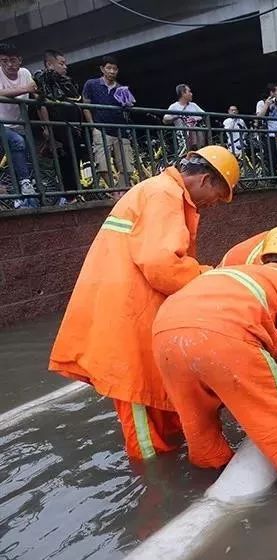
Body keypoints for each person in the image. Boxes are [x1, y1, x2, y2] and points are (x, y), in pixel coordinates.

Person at [48, 146, 240, 461]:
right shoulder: (164, 196)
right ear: (205, 180)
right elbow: (161, 264)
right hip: (124, 318)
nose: (213, 205)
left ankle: (168, 470)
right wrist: (209, 277)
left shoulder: (158, 192)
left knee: (156, 397)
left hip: (130, 312)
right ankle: (156, 489)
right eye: (218, 197)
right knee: (143, 416)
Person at [152, 226, 277, 479]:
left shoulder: (239, 272)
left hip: (164, 332)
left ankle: (210, 468)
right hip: (224, 335)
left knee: (198, 423)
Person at [35, 49, 84, 205]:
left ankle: (77, 193)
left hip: (72, 127)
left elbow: (76, 98)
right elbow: (41, 104)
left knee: (75, 158)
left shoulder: (64, 81)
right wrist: (47, 128)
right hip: (57, 128)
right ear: (50, 64)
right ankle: (68, 196)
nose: (65, 67)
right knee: (63, 162)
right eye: (61, 63)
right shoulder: (40, 78)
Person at [81, 55, 135, 189]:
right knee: (102, 165)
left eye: (115, 69)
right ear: (102, 69)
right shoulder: (92, 84)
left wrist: (128, 104)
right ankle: (115, 189)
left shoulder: (122, 89)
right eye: (109, 68)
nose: (112, 71)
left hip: (120, 130)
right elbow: (85, 105)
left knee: (127, 167)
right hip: (101, 128)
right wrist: (93, 126)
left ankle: (120, 192)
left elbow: (129, 107)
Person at [0, 42, 37, 207]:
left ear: (20, 60)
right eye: (4, 61)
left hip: (20, 125)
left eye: (12, 60)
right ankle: (24, 183)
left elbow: (35, 92)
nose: (9, 65)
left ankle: (22, 198)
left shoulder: (25, 73)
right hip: (2, 125)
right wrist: (24, 89)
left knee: (27, 158)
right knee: (17, 142)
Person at [163, 84, 205, 153]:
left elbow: (204, 115)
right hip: (182, 134)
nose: (191, 94)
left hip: (196, 132)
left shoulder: (193, 105)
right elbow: (165, 120)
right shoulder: (174, 106)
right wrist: (176, 116)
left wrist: (196, 119)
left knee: (198, 130)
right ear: (183, 93)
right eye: (189, 91)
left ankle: (199, 151)